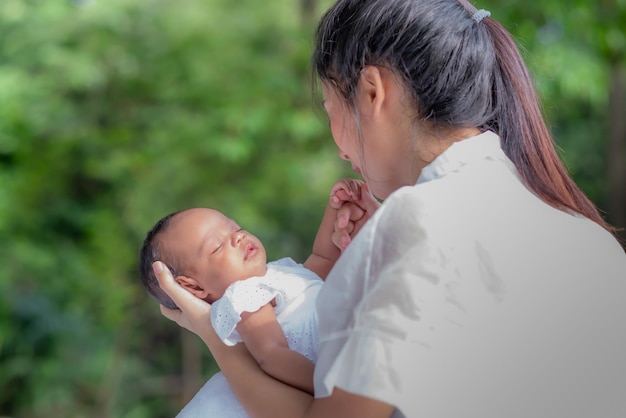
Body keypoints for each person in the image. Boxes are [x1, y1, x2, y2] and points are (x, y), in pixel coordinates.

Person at [151, 1, 626, 417]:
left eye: (332, 108)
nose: (340, 148)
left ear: (373, 91)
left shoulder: (417, 224)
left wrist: (219, 342)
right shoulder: (586, 235)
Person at [139, 180, 378, 417]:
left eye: (235, 228)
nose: (238, 238)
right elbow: (272, 355)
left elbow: (322, 258)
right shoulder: (243, 295)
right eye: (217, 247)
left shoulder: (277, 273)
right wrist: (327, 386)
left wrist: (335, 210)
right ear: (194, 287)